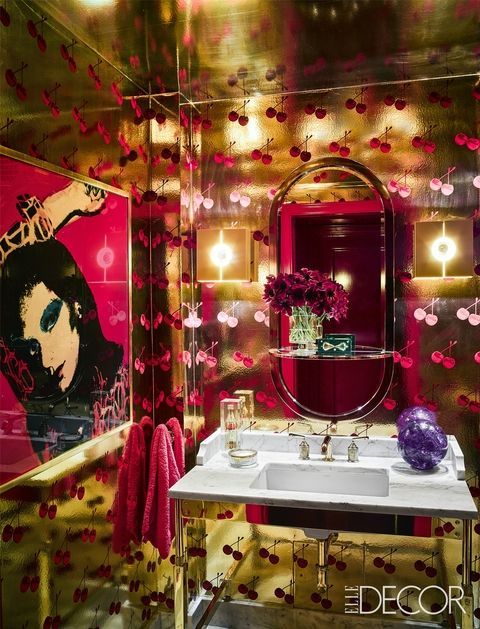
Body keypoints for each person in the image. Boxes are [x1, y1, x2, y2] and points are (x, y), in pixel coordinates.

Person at [0, 237, 123, 411]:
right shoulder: (42, 401)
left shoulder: (119, 379)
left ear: (76, 304)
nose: (45, 360)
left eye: (50, 322)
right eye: (32, 345)